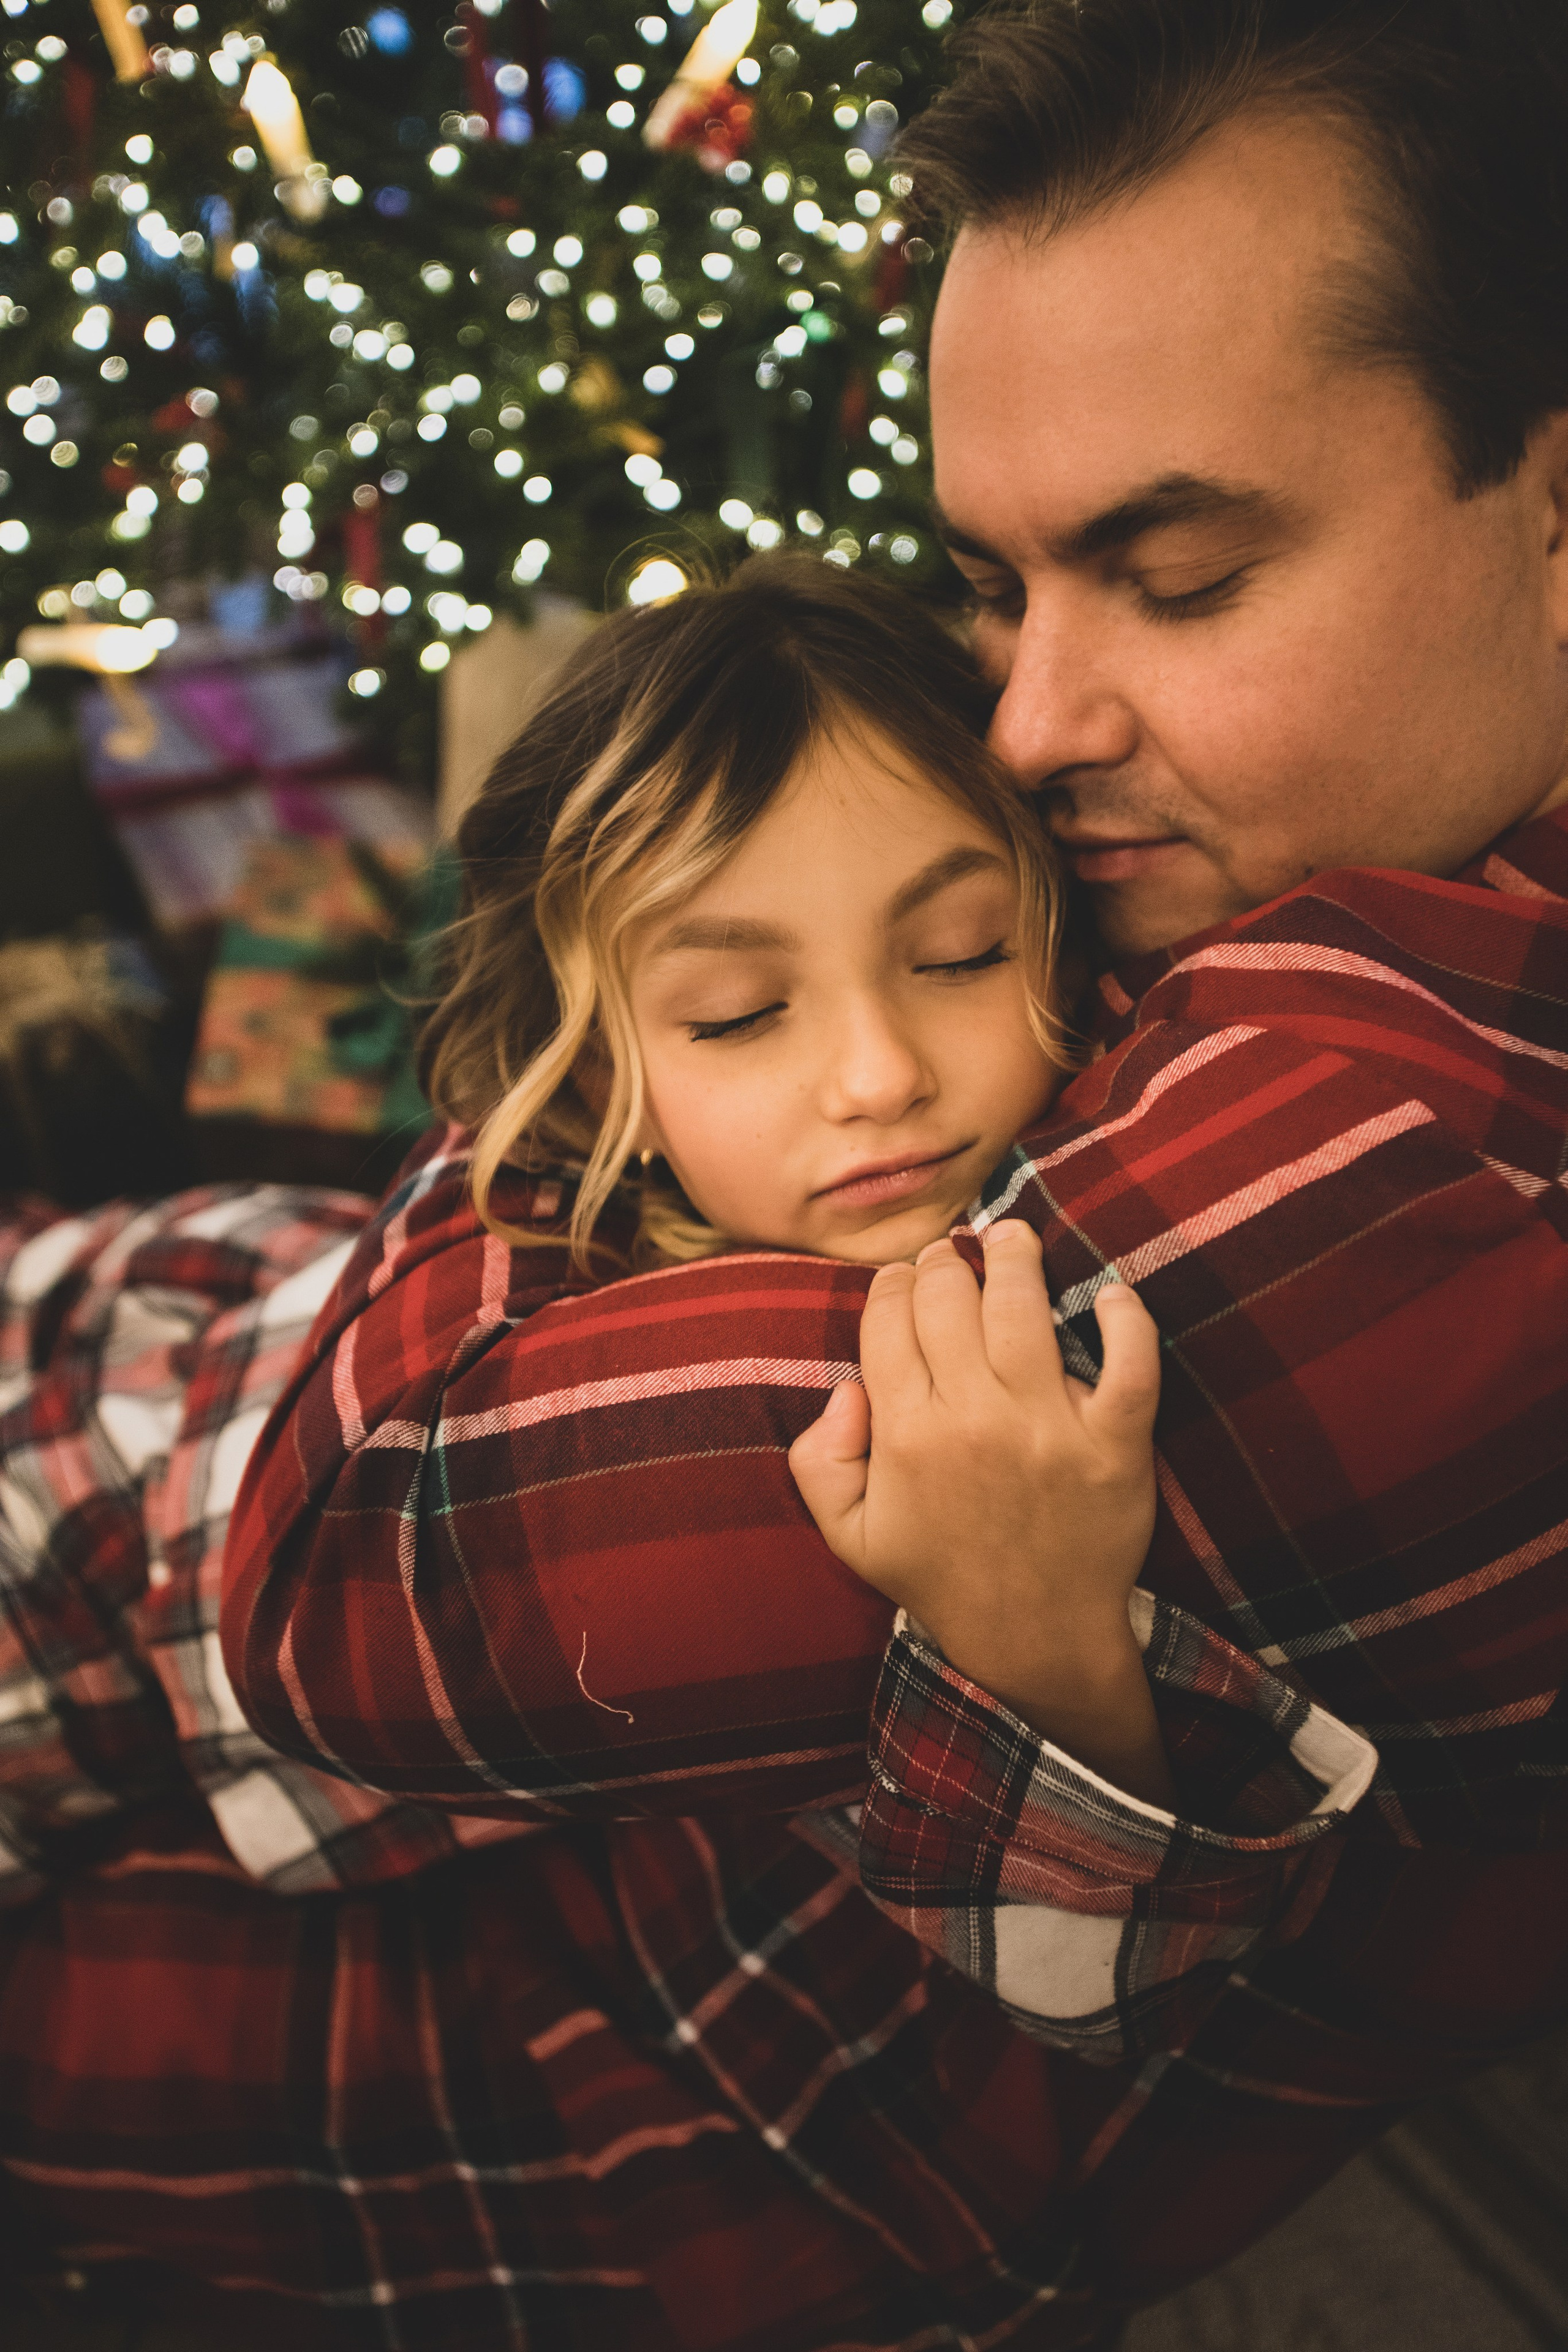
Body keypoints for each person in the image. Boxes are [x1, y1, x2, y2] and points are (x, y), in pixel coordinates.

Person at [3, 0, 1567, 2344]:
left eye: (1179, 572)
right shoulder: (1312, 887)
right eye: (1001, 585)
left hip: (684, 2081)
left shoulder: (1394, 1177)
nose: (1029, 726)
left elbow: (342, 1551)